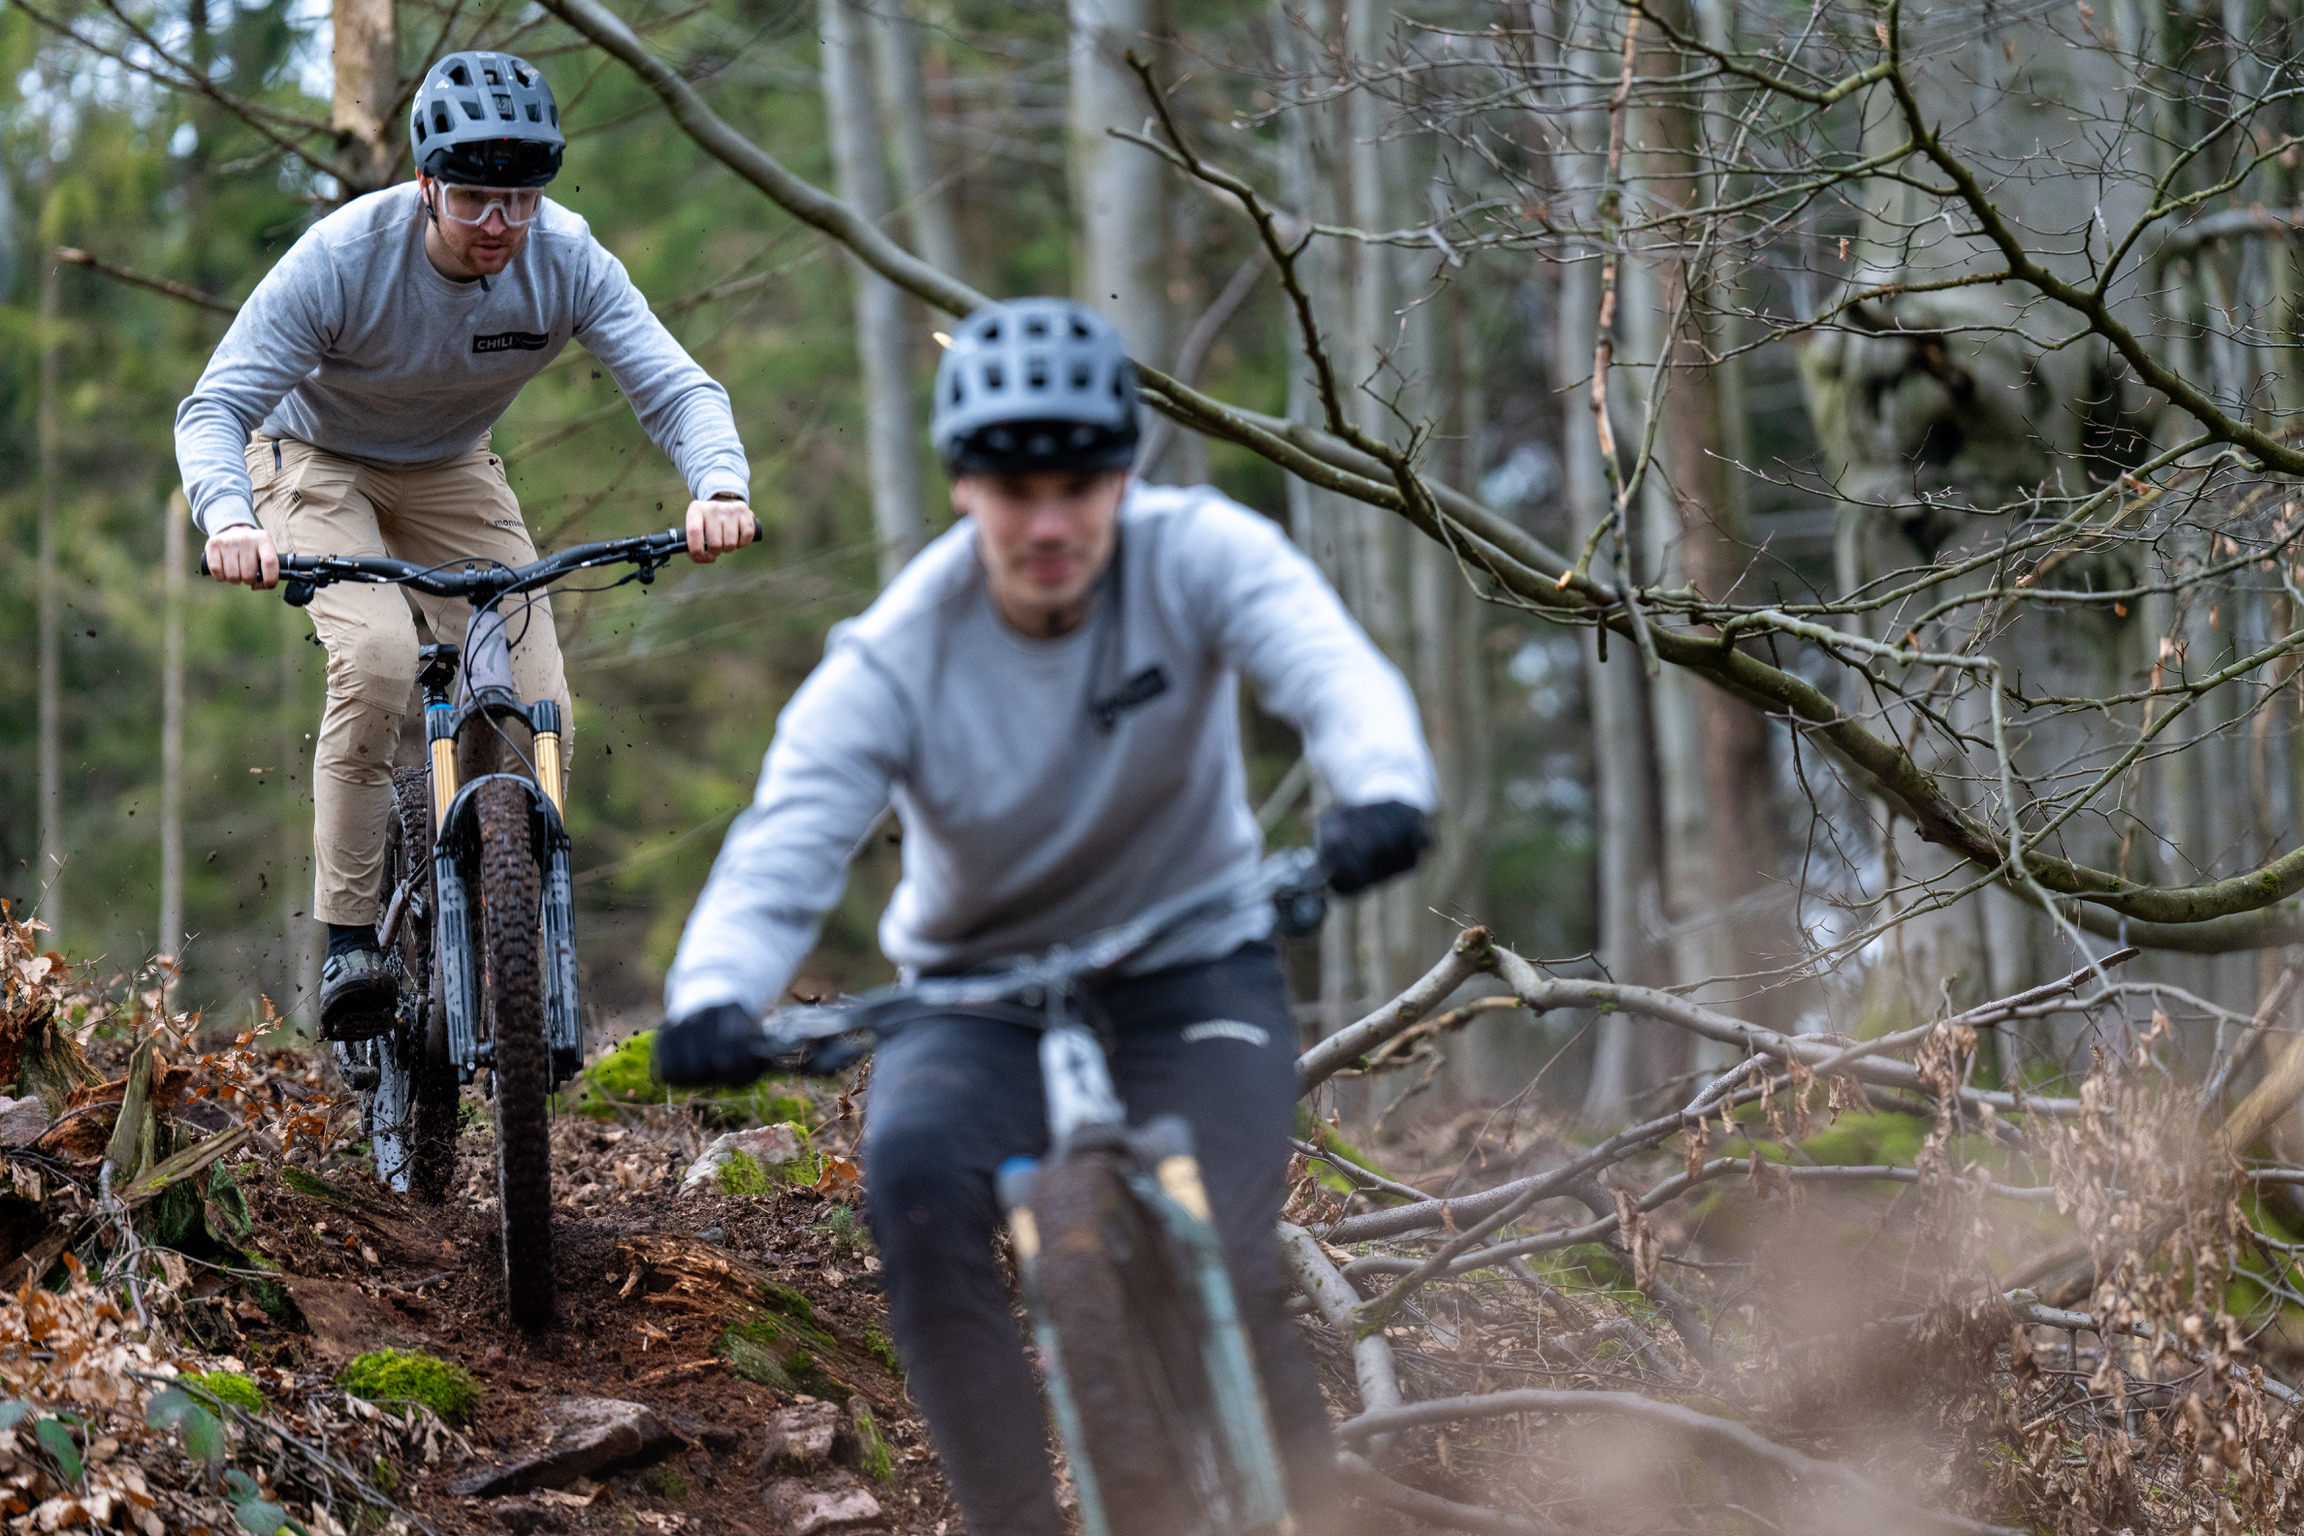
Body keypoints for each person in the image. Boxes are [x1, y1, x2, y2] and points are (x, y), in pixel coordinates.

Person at [652, 296, 1434, 1535]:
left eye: (1080, 483)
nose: (1052, 522)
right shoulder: (899, 651)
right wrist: (711, 996)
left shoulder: (1201, 555)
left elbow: (1332, 669)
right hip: (974, 997)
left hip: (1196, 965)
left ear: (1123, 474)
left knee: (1221, 1250)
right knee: (912, 1182)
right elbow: (786, 843)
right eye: (1018, 491)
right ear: (966, 489)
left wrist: (1383, 792)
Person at [176, 50, 759, 1039]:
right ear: (426, 187)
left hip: (449, 467)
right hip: (310, 457)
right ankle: (352, 935)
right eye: (477, 201)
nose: (501, 227)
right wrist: (229, 519)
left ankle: (494, 912)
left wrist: (721, 484)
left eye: (521, 201)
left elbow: (677, 387)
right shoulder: (344, 258)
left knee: (538, 708)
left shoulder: (565, 256)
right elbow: (214, 406)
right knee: (378, 655)